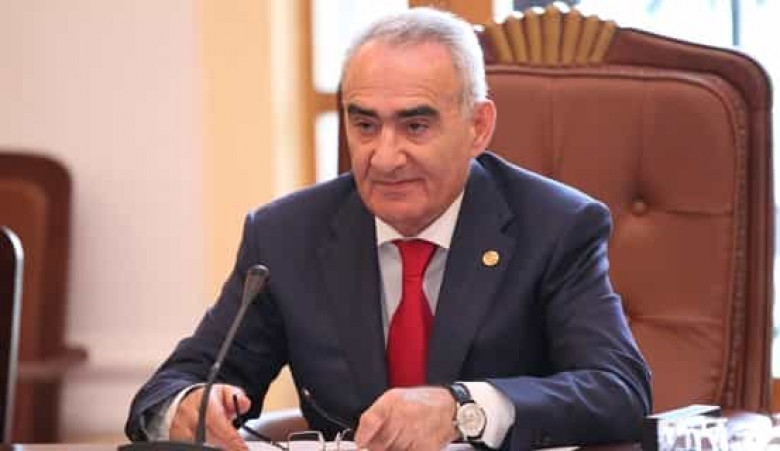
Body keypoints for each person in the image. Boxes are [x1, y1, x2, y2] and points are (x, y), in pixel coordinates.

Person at [125, 7, 651, 451]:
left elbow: (619, 390)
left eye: (415, 125)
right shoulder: (286, 235)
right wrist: (188, 405)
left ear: (478, 127)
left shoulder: (556, 226)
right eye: (365, 125)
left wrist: (462, 409)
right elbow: (170, 388)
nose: (385, 157)